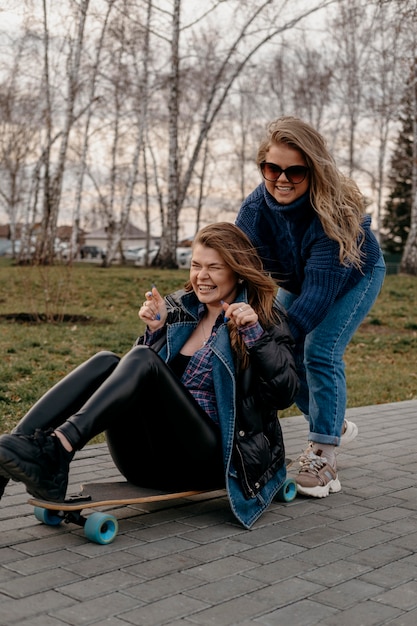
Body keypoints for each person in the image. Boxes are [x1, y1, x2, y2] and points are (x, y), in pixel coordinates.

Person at [0, 223, 299, 529]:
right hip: (147, 459)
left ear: (237, 271)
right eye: (196, 265)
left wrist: (255, 335)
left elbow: (284, 393)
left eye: (214, 268)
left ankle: (57, 448)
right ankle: (9, 455)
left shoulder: (263, 318)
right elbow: (128, 384)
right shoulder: (180, 310)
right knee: (106, 361)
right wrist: (155, 333)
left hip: (212, 460)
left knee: (144, 358)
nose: (201, 276)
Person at [236, 116, 386, 498]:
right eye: (272, 169)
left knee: (318, 352)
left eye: (295, 171)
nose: (281, 179)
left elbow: (318, 295)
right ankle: (330, 425)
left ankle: (325, 458)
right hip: (299, 280)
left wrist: (273, 337)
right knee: (286, 354)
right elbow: (239, 270)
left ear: (313, 171)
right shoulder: (254, 210)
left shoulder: (331, 215)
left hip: (354, 275)